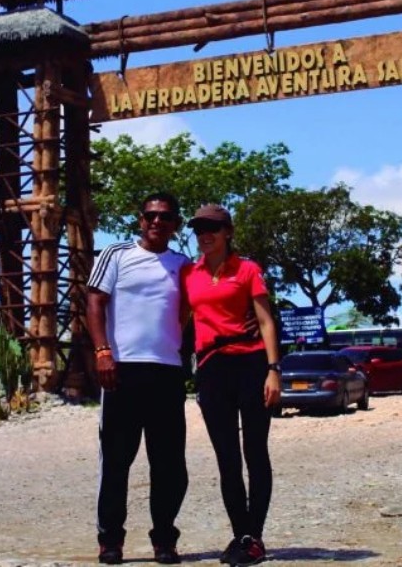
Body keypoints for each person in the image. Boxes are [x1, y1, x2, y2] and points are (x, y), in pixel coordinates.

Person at [87, 192, 190, 566]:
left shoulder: (183, 264)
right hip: (122, 370)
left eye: (164, 217)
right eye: (150, 215)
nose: (156, 222)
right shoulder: (115, 255)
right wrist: (103, 352)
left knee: (168, 463)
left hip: (166, 372)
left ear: (175, 224)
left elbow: (191, 310)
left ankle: (165, 539)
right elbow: (95, 301)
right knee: (116, 460)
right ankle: (110, 540)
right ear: (140, 219)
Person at [180, 204, 281, 567]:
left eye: (212, 228)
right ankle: (241, 535)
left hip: (251, 364)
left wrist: (273, 369)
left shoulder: (248, 270)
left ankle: (255, 536)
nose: (204, 234)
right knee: (227, 458)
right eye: (199, 229)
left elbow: (266, 321)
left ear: (228, 232)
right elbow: (179, 321)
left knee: (255, 450)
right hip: (211, 366)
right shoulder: (189, 274)